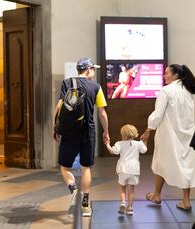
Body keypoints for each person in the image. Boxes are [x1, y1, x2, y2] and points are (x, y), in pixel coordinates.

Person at [140, 64, 195, 210]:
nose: (164, 76)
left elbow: (157, 115)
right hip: (188, 134)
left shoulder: (166, 91)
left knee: (160, 162)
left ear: (176, 75)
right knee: (185, 166)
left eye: (167, 73)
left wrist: (148, 130)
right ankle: (185, 201)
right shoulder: (188, 90)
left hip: (169, 134)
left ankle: (157, 195)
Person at [53, 57, 110, 217]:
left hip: (69, 131)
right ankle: (85, 206)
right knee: (86, 168)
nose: (94, 72)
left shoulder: (67, 83)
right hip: (88, 131)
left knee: (64, 167)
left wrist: (55, 127)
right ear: (89, 69)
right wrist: (106, 131)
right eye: (93, 69)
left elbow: (59, 106)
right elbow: (102, 113)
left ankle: (73, 188)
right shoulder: (96, 87)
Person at [105, 124, 147, 215]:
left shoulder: (119, 143)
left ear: (123, 134)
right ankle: (130, 208)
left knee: (122, 188)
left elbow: (113, 151)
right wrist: (144, 142)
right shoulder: (139, 144)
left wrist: (107, 144)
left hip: (123, 169)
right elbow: (144, 150)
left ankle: (123, 203)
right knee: (131, 190)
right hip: (134, 170)